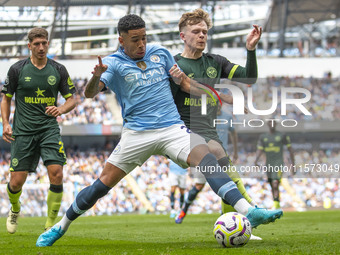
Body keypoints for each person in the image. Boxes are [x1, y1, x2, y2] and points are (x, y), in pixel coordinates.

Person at [36, 14, 282, 247]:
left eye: (144, 38)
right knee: (101, 185)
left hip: (171, 129)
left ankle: (249, 212)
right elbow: (89, 94)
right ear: (121, 40)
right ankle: (61, 226)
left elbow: (185, 83)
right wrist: (96, 77)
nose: (142, 44)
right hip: (137, 134)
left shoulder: (161, 54)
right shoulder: (112, 63)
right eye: (135, 40)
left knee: (207, 158)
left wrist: (218, 95)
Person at [171, 8, 258, 224]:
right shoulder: (173, 65)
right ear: (183, 36)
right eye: (196, 31)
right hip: (179, 132)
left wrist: (250, 49)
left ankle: (241, 218)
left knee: (223, 164)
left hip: (207, 132)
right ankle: (251, 209)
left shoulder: (215, 62)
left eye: (205, 32)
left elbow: (250, 77)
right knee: (218, 156)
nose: (202, 35)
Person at [0, 27, 76, 233]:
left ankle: (51, 224)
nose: (41, 47)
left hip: (48, 129)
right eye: (37, 44)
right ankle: (15, 208)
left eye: (44, 43)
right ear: (29, 46)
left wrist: (60, 109)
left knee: (57, 174)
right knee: (16, 182)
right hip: (23, 131)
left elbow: (72, 100)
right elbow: (6, 99)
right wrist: (6, 123)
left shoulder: (58, 70)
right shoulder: (17, 69)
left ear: (48, 44)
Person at [254, 120, 295, 209]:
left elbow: (290, 150)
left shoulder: (282, 135)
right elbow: (259, 149)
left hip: (278, 163)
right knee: (272, 184)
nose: (271, 124)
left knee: (275, 182)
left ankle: (276, 205)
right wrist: (255, 160)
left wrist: (293, 165)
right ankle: (276, 201)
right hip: (268, 164)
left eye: (273, 122)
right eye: (269, 122)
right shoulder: (263, 137)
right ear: (267, 124)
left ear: (276, 124)